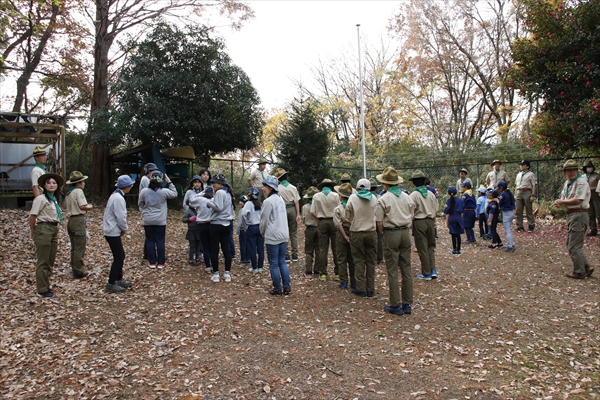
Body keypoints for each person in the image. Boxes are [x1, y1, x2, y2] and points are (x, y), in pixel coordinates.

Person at [375, 167, 416, 315]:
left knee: (392, 270)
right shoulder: (407, 197)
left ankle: (395, 304)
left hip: (391, 233)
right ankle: (407, 303)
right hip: (405, 232)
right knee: (406, 268)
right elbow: (412, 214)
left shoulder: (383, 199)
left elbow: (379, 221)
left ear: (385, 184)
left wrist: (383, 233)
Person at [554, 159, 593, 279]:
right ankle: (585, 266)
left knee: (574, 245)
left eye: (574, 170)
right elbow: (564, 197)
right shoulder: (568, 183)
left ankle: (579, 271)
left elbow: (578, 199)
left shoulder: (581, 182)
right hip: (572, 214)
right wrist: (560, 201)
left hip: (579, 213)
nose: (572, 172)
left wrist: (562, 202)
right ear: (565, 172)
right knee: (570, 243)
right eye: (569, 170)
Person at [29, 173, 64, 297]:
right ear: (44, 185)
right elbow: (33, 216)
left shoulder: (53, 200)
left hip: (53, 229)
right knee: (43, 260)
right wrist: (33, 231)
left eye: (54, 183)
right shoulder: (41, 199)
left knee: (50, 259)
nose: (52, 185)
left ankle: (46, 284)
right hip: (43, 228)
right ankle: (42, 288)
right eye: (49, 183)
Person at [346, 178, 379, 298]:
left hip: (357, 232)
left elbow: (347, 214)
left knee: (359, 260)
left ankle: (360, 288)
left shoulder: (353, 198)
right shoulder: (375, 198)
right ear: (369, 188)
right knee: (370, 261)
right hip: (371, 232)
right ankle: (370, 288)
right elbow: (377, 214)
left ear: (357, 188)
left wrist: (353, 222)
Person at [103, 175, 136, 294]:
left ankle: (118, 278)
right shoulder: (118, 198)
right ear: (127, 186)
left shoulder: (115, 195)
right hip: (112, 230)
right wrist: (125, 228)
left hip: (112, 229)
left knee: (120, 255)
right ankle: (111, 282)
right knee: (119, 257)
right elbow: (120, 217)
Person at [138, 171, 178, 269]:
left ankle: (151, 262)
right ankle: (161, 262)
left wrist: (144, 212)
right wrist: (170, 182)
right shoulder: (164, 191)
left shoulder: (144, 191)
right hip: (160, 220)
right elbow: (175, 194)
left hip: (148, 220)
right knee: (160, 241)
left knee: (150, 241)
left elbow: (140, 204)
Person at [260, 176, 291, 295]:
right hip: (283, 234)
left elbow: (264, 220)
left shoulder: (268, 202)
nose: (263, 189)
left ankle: (277, 288)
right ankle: (287, 286)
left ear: (270, 187)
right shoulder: (280, 199)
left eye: (265, 186)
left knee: (273, 263)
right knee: (282, 261)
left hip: (273, 236)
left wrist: (262, 232)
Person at [408, 170, 438, 280]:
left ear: (414, 183)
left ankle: (426, 273)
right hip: (430, 221)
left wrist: (409, 223)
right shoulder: (431, 194)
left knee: (422, 247)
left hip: (419, 222)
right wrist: (434, 222)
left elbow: (410, 211)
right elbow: (435, 209)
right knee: (431, 246)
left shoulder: (413, 195)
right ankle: (433, 270)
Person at [206, 173, 235, 282]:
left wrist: (209, 203)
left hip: (216, 224)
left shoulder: (219, 193)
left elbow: (218, 207)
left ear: (220, 183)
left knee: (214, 249)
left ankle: (216, 274)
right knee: (226, 249)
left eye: (214, 182)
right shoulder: (228, 193)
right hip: (226, 224)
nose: (213, 184)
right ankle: (227, 273)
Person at [64, 171, 93, 279]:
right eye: (83, 181)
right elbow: (83, 206)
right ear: (79, 183)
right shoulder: (78, 191)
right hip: (78, 219)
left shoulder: (68, 193)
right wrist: (90, 207)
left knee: (74, 247)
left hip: (70, 220)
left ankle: (74, 267)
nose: (84, 183)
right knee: (80, 247)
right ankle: (78, 271)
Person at [310, 178, 340, 281]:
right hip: (334, 221)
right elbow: (339, 210)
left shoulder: (316, 196)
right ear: (331, 186)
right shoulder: (336, 196)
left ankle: (323, 273)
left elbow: (312, 211)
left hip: (322, 221)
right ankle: (337, 273)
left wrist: (319, 218)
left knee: (323, 248)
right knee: (336, 249)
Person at [274, 168, 302, 262]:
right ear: (286, 176)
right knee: (293, 233)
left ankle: (286, 255)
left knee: (283, 232)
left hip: (282, 210)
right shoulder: (293, 187)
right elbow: (296, 202)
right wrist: (298, 214)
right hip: (292, 209)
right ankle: (295, 255)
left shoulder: (277, 188)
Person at [333, 183, 355, 290]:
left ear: (340, 196)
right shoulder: (354, 207)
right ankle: (354, 281)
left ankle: (344, 281)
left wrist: (345, 236)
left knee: (341, 258)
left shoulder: (338, 208)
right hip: (353, 232)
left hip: (342, 233)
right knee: (352, 258)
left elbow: (338, 224)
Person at [189, 187, 214, 273]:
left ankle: (207, 266)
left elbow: (191, 200)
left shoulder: (200, 199)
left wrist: (200, 193)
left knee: (205, 246)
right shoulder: (214, 200)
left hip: (201, 225)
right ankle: (214, 265)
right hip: (212, 224)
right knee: (213, 246)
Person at [240, 187, 264, 273]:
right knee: (260, 248)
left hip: (252, 227)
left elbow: (243, 214)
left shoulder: (248, 204)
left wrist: (247, 222)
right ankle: (260, 267)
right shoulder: (260, 204)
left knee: (252, 247)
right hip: (260, 227)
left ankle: (254, 267)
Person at [139, 162, 159, 260]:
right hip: (147, 208)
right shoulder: (145, 179)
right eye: (152, 171)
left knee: (152, 233)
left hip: (152, 207)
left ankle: (149, 253)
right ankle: (147, 254)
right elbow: (153, 189)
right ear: (148, 171)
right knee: (150, 233)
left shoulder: (149, 179)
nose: (154, 173)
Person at [301, 186, 320, 276]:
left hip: (309, 229)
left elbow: (303, 220)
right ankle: (317, 270)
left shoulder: (305, 207)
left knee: (309, 251)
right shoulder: (319, 206)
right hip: (319, 229)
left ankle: (308, 270)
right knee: (319, 250)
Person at [514, 160, 537, 232]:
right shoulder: (518, 174)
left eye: (523, 165)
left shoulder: (531, 174)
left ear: (527, 166)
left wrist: (532, 195)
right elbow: (516, 185)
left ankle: (531, 225)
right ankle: (519, 226)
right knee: (518, 210)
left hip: (527, 191)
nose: (521, 166)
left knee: (528, 209)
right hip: (518, 192)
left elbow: (534, 185)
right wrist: (515, 194)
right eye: (520, 164)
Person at [444, 186, 464, 255]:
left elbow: (447, 212)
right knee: (458, 234)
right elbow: (462, 211)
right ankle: (459, 249)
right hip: (458, 216)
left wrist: (447, 222)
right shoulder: (460, 200)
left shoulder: (448, 200)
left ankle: (454, 249)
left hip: (452, 217)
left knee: (453, 234)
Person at [497, 180, 516, 253]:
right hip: (511, 212)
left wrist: (498, 200)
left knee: (508, 231)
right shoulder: (509, 193)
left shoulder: (503, 194)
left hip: (506, 213)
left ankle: (510, 246)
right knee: (509, 230)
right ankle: (511, 244)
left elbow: (500, 204)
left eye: (499, 188)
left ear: (501, 187)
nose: (498, 189)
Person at [370, 178, 385, 264]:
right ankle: (380, 257)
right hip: (378, 219)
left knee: (372, 238)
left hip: (369, 220)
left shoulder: (366, 197)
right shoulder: (379, 197)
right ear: (375, 188)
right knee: (380, 238)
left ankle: (373, 256)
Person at [582, 160, 599, 236]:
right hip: (587, 194)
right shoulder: (582, 177)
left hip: (595, 193)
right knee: (590, 213)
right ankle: (593, 229)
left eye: (590, 167)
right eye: (588, 167)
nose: (589, 168)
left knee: (598, 212)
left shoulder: (597, 175)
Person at [236, 195, 251, 265]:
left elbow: (240, 222)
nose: (239, 203)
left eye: (241, 201)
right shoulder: (249, 208)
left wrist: (238, 230)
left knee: (243, 245)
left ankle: (243, 259)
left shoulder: (242, 210)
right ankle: (248, 258)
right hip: (248, 229)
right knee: (248, 244)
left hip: (243, 229)